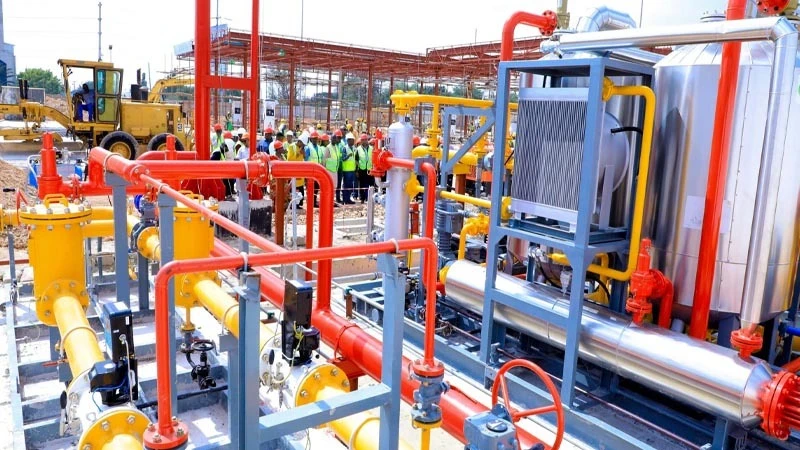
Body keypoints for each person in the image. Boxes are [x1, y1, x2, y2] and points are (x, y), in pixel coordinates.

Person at [288, 135, 307, 208]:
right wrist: (299, 153)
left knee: (300, 188)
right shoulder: (291, 147)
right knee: (293, 188)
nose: (303, 146)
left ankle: (299, 203)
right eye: (302, 144)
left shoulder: (302, 148)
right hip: (293, 171)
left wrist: (303, 153)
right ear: (299, 142)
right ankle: (293, 204)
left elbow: (304, 158)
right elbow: (289, 159)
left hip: (300, 171)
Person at [355, 133, 373, 204]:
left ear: (367, 140)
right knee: (362, 185)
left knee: (370, 185)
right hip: (361, 170)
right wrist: (356, 170)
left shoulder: (371, 148)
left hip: (370, 169)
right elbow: (356, 160)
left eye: (365, 140)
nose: (364, 141)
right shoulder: (358, 149)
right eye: (362, 140)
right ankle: (362, 199)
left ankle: (370, 199)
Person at [323, 133, 341, 206]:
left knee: (334, 186)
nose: (334, 140)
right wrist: (324, 170)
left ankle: (332, 201)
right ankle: (327, 201)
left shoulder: (336, 147)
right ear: (331, 139)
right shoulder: (328, 147)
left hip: (335, 169)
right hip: (329, 170)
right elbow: (324, 160)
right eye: (333, 138)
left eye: (335, 138)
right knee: (328, 187)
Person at [341, 133, 357, 205]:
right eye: (352, 140)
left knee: (350, 185)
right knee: (346, 185)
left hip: (352, 170)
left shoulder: (354, 148)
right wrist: (348, 156)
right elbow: (343, 159)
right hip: (346, 170)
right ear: (348, 140)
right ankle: (345, 199)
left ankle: (348, 199)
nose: (353, 141)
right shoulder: (345, 148)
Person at [331, 130, 345, 204]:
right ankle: (333, 199)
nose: (339, 139)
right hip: (334, 168)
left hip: (339, 167)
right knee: (333, 184)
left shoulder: (341, 144)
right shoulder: (333, 146)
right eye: (338, 138)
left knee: (339, 184)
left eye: (340, 138)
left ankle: (338, 198)